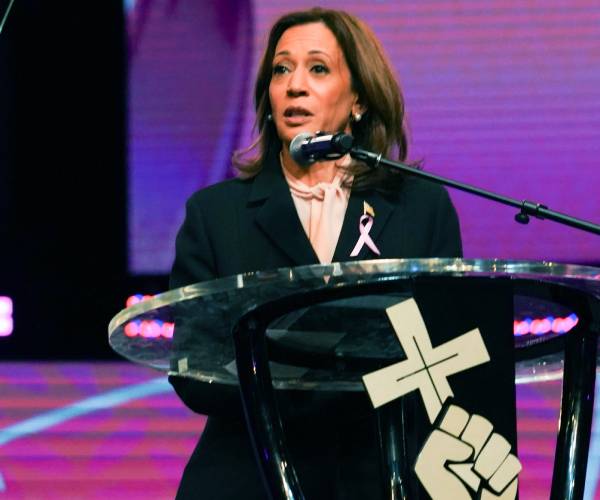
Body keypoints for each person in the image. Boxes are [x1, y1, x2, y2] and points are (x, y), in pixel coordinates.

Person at [169, 7, 462, 499]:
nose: (294, 85)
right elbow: (193, 369)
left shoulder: (419, 207)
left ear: (360, 101)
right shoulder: (216, 215)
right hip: (252, 476)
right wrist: (306, 379)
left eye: (318, 68)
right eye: (281, 69)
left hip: (382, 474)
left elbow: (449, 347)